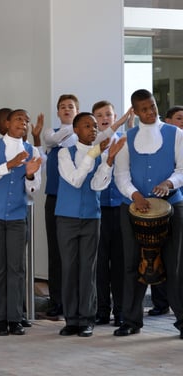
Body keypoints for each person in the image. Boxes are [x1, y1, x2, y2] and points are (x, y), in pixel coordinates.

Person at [113, 89, 183, 338]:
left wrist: (169, 183)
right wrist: (135, 195)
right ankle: (131, 320)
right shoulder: (126, 138)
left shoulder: (176, 134)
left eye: (152, 106)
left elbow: (182, 169)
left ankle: (182, 321)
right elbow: (120, 175)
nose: (151, 112)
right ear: (135, 111)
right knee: (132, 264)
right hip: (133, 209)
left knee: (174, 266)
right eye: (144, 109)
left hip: (172, 207)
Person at [55, 112, 124, 338]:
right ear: (76, 130)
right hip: (66, 217)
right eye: (87, 126)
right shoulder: (65, 153)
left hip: (91, 218)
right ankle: (71, 319)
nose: (93, 129)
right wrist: (94, 154)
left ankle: (86, 319)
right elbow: (75, 180)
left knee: (88, 269)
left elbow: (97, 186)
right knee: (70, 269)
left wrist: (109, 161)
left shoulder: (99, 155)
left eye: (94, 126)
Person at [0, 109, 42, 336]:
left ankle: (15, 318)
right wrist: (10, 165)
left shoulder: (31, 150)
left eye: (26, 120)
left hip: (17, 216)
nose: (23, 123)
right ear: (7, 123)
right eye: (18, 119)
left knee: (17, 268)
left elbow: (33, 190)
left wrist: (31, 175)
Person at [91, 100, 131, 327]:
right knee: (100, 264)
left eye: (108, 114)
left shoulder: (126, 142)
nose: (104, 117)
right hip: (98, 211)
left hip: (121, 209)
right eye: (99, 115)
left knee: (120, 262)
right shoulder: (93, 143)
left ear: (114, 115)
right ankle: (101, 310)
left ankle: (122, 311)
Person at [42, 94, 79, 318]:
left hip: (76, 199)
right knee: (55, 252)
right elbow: (53, 141)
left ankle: (75, 301)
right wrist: (74, 127)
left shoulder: (84, 136)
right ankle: (57, 301)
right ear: (57, 112)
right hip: (55, 198)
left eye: (71, 107)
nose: (67, 109)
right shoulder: (51, 133)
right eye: (63, 107)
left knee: (74, 254)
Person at [147, 106, 183, 318]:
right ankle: (161, 303)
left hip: (177, 205)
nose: (182, 122)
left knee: (176, 260)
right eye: (179, 118)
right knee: (157, 256)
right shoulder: (158, 142)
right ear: (167, 121)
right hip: (157, 207)